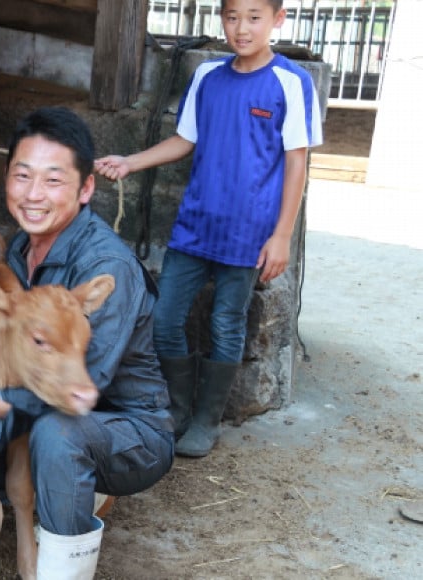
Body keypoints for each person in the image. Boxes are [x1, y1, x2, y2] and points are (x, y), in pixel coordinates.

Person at [0, 106, 174, 579]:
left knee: (57, 435)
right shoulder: (19, 249)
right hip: (39, 406)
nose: (34, 195)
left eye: (53, 180)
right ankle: (52, 485)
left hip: (123, 425)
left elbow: (80, 386)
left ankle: (63, 562)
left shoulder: (105, 267)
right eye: (22, 176)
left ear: (86, 188)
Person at [95, 0, 322, 458]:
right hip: (196, 223)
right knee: (165, 319)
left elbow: (297, 162)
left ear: (277, 20)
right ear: (222, 18)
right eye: (233, 17)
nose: (242, 28)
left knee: (225, 321)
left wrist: (281, 236)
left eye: (255, 18)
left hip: (249, 231)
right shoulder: (207, 76)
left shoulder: (290, 82)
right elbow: (185, 140)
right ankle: (178, 410)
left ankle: (206, 419)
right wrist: (129, 162)